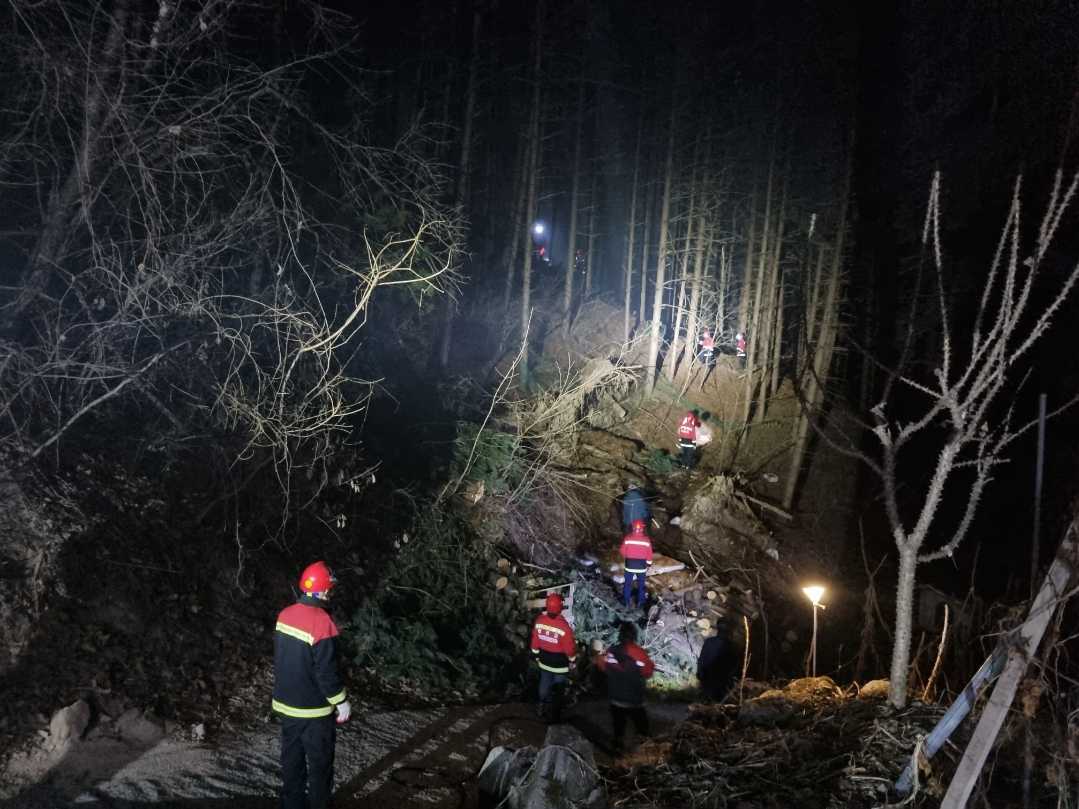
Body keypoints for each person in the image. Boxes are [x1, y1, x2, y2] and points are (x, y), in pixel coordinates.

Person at [273, 561, 350, 809]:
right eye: (330, 589)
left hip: (286, 705)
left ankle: (291, 804)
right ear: (323, 591)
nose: (331, 593)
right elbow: (327, 673)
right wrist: (341, 701)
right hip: (315, 711)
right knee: (319, 765)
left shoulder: (284, 615)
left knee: (292, 760)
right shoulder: (323, 623)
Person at [595, 622, 655, 754]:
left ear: (620, 635)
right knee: (642, 726)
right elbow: (648, 672)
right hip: (635, 700)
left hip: (616, 698)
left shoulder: (612, 651)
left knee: (618, 726)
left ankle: (617, 748)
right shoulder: (640, 653)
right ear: (634, 635)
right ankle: (646, 749)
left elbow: (601, 664)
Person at [530, 592, 577, 722]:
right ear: (560, 607)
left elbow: (534, 643)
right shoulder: (564, 626)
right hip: (560, 665)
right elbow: (570, 649)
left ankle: (541, 707)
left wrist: (536, 656)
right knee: (558, 689)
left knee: (544, 683)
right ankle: (555, 715)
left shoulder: (539, 621)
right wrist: (573, 660)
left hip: (544, 661)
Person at [697, 621, 739, 703]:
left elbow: (702, 659)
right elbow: (734, 665)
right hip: (717, 680)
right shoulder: (730, 645)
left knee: (710, 701)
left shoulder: (710, 642)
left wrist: (700, 671)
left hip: (713, 679)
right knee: (714, 701)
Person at [620, 518, 653, 608]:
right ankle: (640, 602)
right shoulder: (646, 540)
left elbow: (622, 550)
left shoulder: (628, 538)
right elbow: (649, 554)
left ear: (633, 528)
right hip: (641, 567)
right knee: (641, 585)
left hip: (629, 565)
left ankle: (626, 602)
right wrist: (649, 564)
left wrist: (627, 556)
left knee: (627, 584)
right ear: (642, 528)